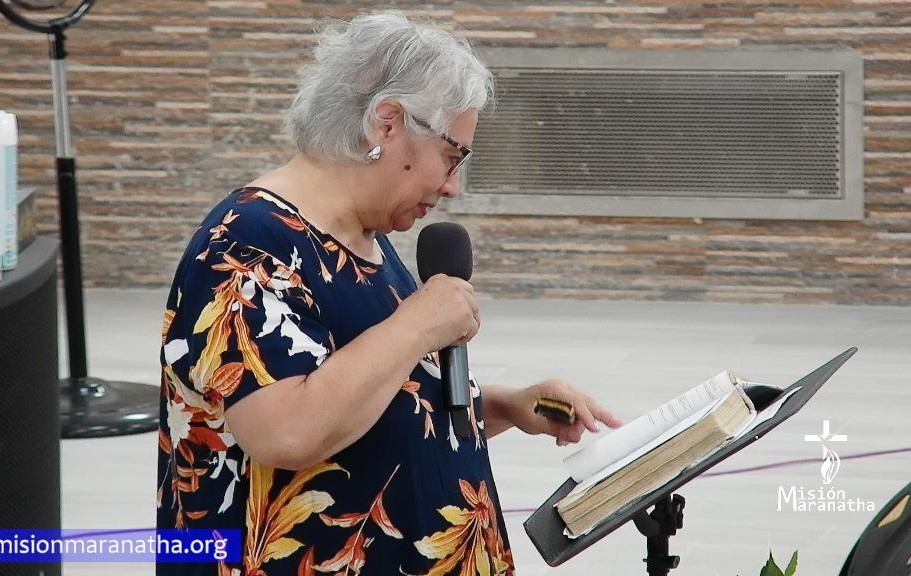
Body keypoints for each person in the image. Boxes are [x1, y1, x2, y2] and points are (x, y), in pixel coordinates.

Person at [156, 10, 621, 575]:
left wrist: (509, 406)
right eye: (451, 156)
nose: (452, 186)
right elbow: (286, 431)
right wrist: (417, 324)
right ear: (386, 123)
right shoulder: (247, 244)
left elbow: (377, 396)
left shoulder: (361, 235)